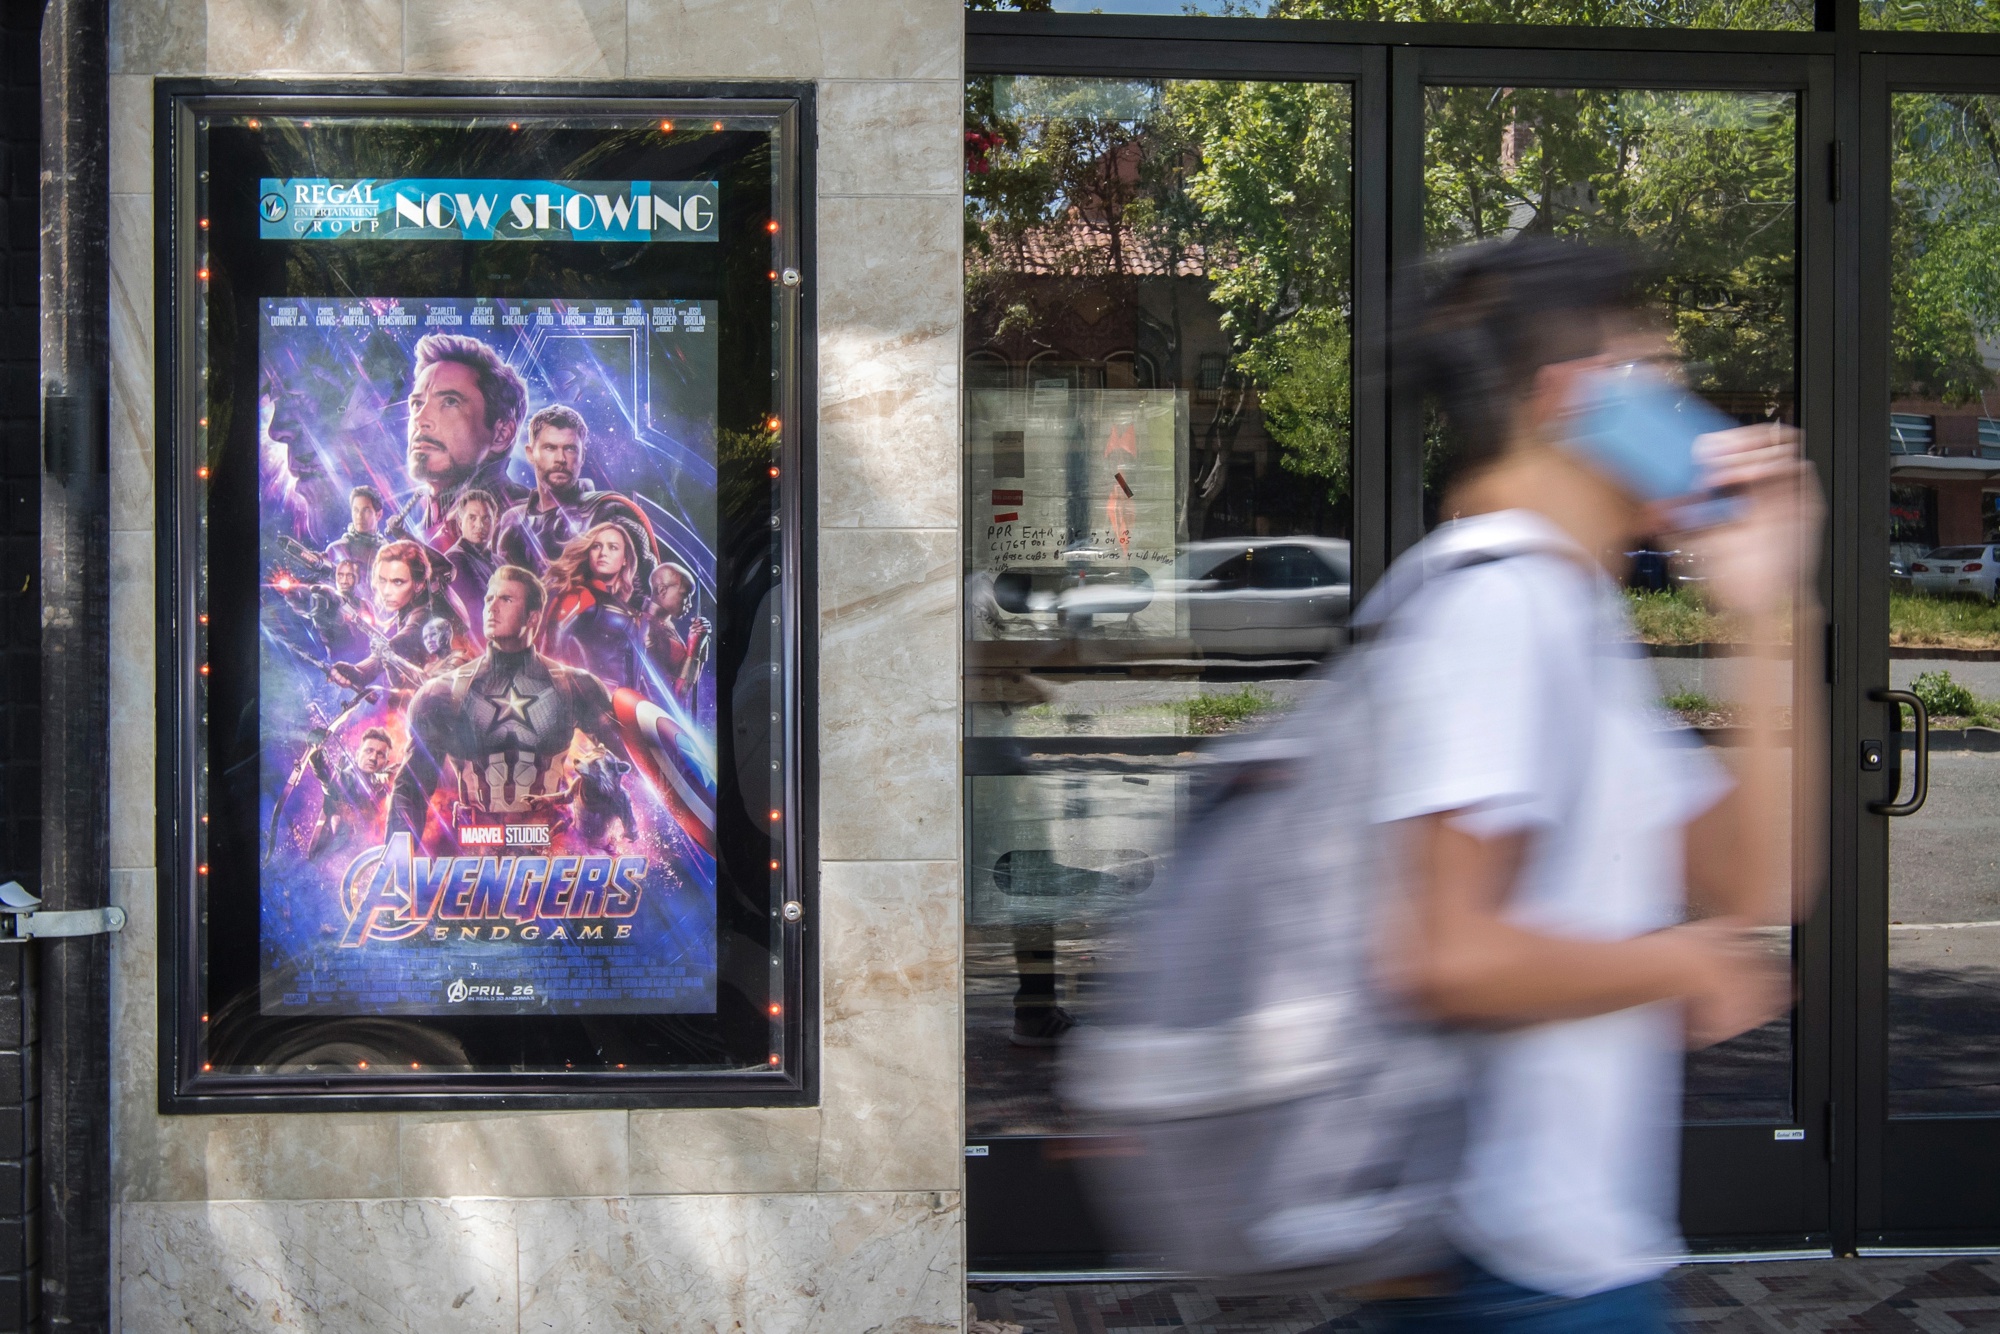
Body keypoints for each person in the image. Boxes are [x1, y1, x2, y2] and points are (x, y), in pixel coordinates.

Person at [1359, 239, 1824, 1331]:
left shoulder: (1567, 613)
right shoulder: (1497, 608)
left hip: (1567, 1260)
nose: (1691, 406)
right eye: (1657, 373)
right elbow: (1443, 952)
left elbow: (1751, 878)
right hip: (1511, 1269)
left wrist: (1764, 612)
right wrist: (1673, 964)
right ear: (1579, 397)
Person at [390, 565, 632, 844]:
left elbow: (627, 768)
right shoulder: (440, 694)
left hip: (555, 852)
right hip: (474, 857)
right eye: (489, 599)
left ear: (533, 616)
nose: (492, 608)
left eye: (506, 599)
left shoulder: (577, 686)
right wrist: (396, 861)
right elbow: (411, 787)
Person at [394, 333, 529, 548]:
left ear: (502, 433)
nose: (420, 419)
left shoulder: (528, 523)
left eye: (449, 402)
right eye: (417, 404)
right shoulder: (421, 528)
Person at [493, 404, 653, 573]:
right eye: (550, 448)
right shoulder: (509, 521)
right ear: (530, 453)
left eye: (570, 449)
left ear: (582, 455)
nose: (560, 459)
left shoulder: (609, 513)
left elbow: (643, 590)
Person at [330, 539, 460, 690]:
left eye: (397, 582)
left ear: (418, 585)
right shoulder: (408, 603)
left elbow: (398, 644)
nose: (386, 591)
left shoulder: (425, 613)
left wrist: (361, 671)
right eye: (382, 581)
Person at [541, 520, 651, 690]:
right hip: (588, 702)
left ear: (625, 559)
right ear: (588, 554)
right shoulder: (579, 596)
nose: (603, 553)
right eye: (596, 546)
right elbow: (550, 652)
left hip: (624, 705)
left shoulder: (630, 611)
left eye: (612, 547)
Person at [305, 726, 397, 855]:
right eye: (369, 751)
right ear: (358, 754)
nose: (373, 758)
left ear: (386, 762)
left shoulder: (386, 783)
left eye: (380, 754)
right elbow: (327, 772)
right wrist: (317, 751)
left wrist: (385, 778)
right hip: (335, 858)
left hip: (370, 858)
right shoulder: (347, 779)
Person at [642, 562, 711, 706]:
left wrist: (701, 645)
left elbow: (691, 684)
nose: (690, 604)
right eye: (685, 595)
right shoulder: (646, 629)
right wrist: (694, 649)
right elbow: (675, 695)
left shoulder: (665, 625)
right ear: (662, 590)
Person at [442, 488, 501, 633]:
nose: (480, 526)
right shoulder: (455, 559)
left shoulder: (500, 560)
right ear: (460, 523)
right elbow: (480, 609)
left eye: (486, 518)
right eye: (472, 518)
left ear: (495, 522)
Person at [324, 485, 386, 578]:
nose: (359, 516)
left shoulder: (387, 550)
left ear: (378, 514)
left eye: (365, 510)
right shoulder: (336, 549)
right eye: (355, 510)